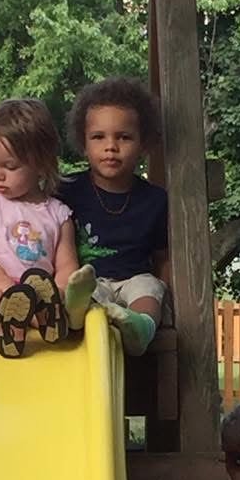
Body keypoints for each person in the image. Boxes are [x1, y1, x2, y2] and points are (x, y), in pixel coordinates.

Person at [0, 98, 96, 358]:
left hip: (35, 293)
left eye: (10, 166)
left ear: (41, 164)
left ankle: (42, 317)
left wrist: (59, 291)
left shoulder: (58, 213)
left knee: (35, 301)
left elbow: (66, 265)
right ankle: (14, 325)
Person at [60, 76, 169, 357]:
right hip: (90, 282)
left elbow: (162, 258)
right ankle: (75, 315)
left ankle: (140, 329)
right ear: (83, 143)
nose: (111, 146)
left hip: (134, 279)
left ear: (143, 143)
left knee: (149, 288)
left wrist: (167, 297)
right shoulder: (66, 190)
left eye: (124, 137)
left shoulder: (155, 199)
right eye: (98, 137)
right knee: (84, 292)